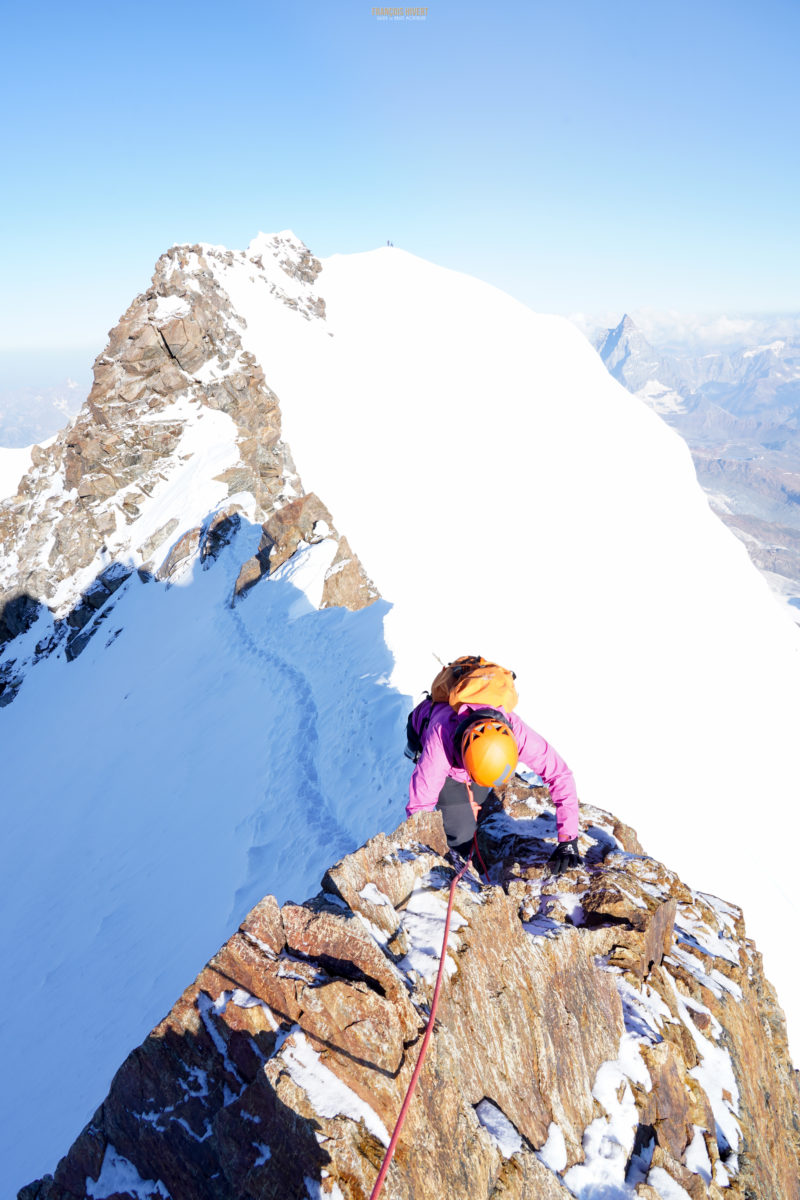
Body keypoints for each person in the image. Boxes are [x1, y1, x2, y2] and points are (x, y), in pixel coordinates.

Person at [406, 700, 581, 874]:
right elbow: (421, 804)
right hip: (439, 744)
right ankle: (464, 863)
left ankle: (477, 846)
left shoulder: (517, 733)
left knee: (480, 807)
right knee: (461, 832)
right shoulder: (440, 742)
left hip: (474, 758)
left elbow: (559, 774)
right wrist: (424, 852)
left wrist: (568, 839)